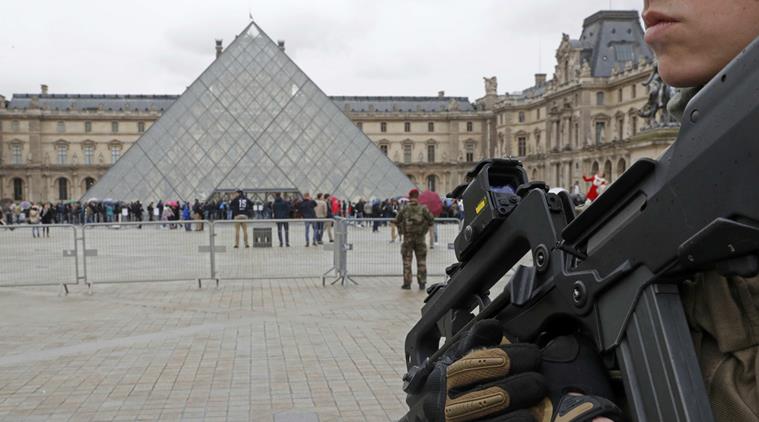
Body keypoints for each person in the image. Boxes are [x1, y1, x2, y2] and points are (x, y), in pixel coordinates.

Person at [395, 189, 434, 290]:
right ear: (417, 197)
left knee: (407, 261)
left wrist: (401, 228)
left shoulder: (405, 209)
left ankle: (407, 283)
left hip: (408, 239)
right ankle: (422, 282)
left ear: (410, 196)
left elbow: (397, 220)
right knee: (421, 261)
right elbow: (431, 220)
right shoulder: (423, 208)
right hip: (420, 239)